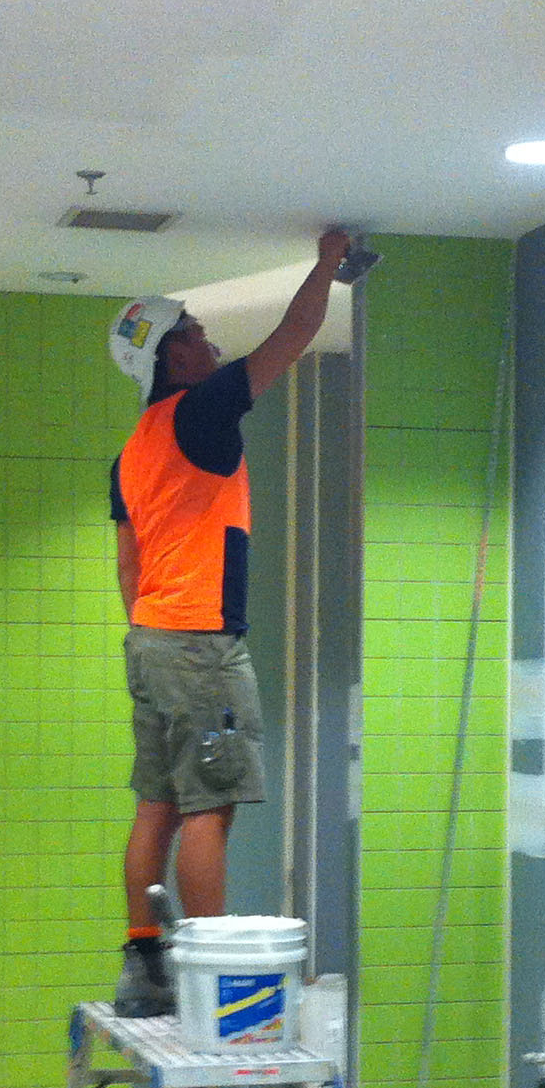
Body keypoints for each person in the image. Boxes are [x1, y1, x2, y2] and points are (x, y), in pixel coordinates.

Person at [107, 228, 352, 1011]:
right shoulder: (201, 410)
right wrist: (328, 262)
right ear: (170, 356)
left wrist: (155, 636)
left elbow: (128, 568)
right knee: (208, 806)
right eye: (193, 330)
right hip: (198, 641)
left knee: (158, 803)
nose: (207, 336)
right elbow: (295, 333)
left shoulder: (132, 450)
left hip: (150, 638)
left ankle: (144, 962)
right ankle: (206, 976)